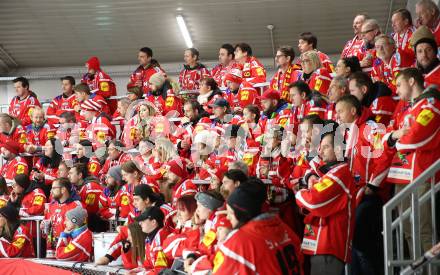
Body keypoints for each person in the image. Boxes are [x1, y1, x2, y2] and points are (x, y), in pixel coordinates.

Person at [372, 68, 440, 253]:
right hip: (401, 176)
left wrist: (395, 140)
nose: (396, 90)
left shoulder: (430, 104)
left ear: (411, 82)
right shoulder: (407, 110)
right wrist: (394, 136)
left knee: (423, 231)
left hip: (420, 176)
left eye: (399, 84)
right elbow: (384, 139)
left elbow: (416, 137)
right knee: (408, 232)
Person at [295, 122, 356, 275]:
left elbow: (314, 202)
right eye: (320, 146)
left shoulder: (341, 173)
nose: (320, 150)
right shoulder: (331, 173)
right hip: (320, 244)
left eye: (326, 146)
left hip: (329, 247)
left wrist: (300, 193)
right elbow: (308, 206)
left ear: (337, 149)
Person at [212, 182, 303, 274]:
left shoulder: (239, 242)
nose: (228, 217)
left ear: (243, 214)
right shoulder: (285, 228)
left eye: (231, 213)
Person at [42, 177, 84, 258]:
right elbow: (46, 229)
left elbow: (80, 232)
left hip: (68, 251)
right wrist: (43, 226)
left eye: (54, 188)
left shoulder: (76, 206)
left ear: (63, 189)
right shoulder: (51, 206)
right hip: (51, 250)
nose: (51, 191)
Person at [128, 206, 173, 274]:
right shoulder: (149, 238)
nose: (140, 223)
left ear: (153, 222)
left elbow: (161, 270)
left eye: (143, 220)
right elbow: (148, 266)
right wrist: (138, 270)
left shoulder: (161, 237)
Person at [68, 163, 105, 231]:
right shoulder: (78, 187)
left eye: (71, 173)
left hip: (96, 226)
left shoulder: (91, 187)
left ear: (80, 175)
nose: (68, 176)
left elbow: (90, 210)